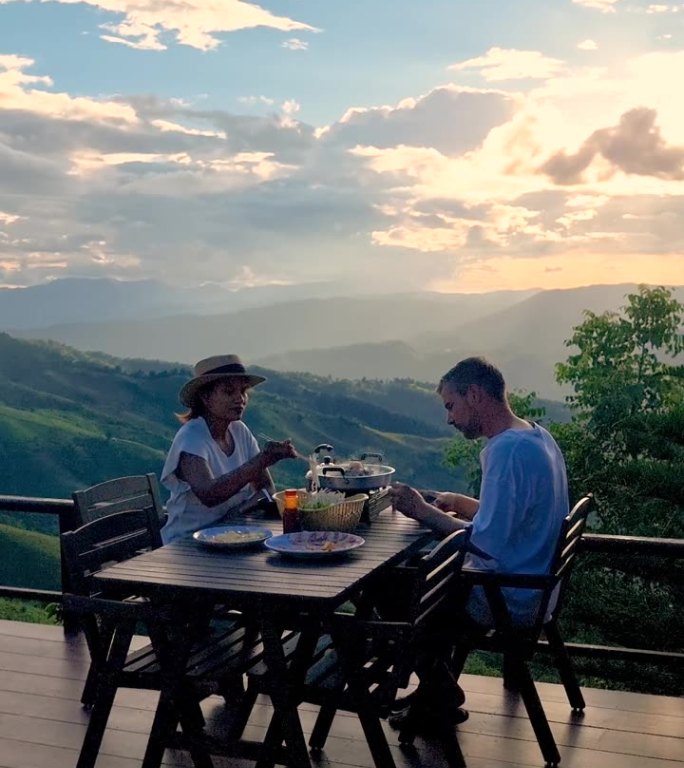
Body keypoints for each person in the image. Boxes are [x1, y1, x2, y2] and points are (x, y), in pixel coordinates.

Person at [387, 356, 569, 731]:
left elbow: (486, 545)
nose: (449, 419)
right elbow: (516, 517)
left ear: (474, 395)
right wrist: (463, 503)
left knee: (389, 587)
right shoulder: (537, 436)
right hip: (535, 586)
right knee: (416, 578)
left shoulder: (507, 450)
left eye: (451, 406)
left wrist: (420, 510)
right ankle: (436, 691)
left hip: (506, 595)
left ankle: (437, 690)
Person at [160, 354, 298, 544]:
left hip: (230, 535)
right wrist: (261, 461)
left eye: (243, 391)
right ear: (205, 397)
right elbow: (208, 494)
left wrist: (238, 512)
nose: (239, 399)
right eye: (228, 391)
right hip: (186, 544)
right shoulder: (191, 438)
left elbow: (266, 487)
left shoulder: (239, 431)